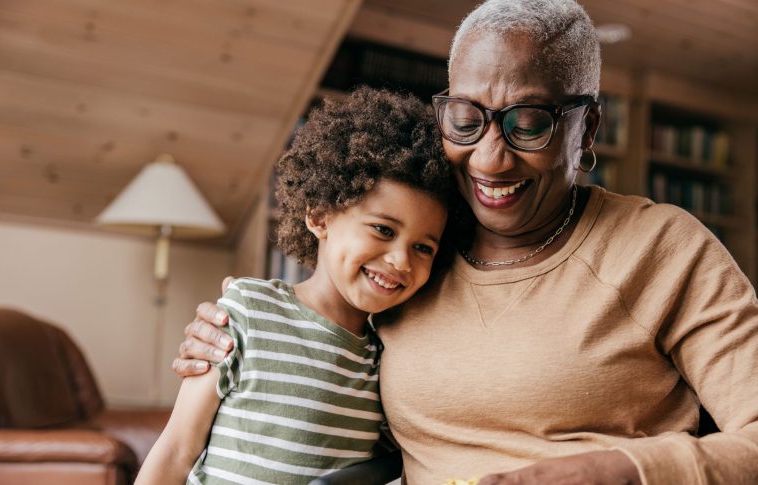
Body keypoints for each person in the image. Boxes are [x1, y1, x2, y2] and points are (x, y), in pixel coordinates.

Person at [173, 1, 758, 484]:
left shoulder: (663, 247)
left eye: (529, 122)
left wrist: (618, 471)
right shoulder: (419, 253)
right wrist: (237, 330)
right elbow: (317, 343)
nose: (490, 158)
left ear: (588, 127)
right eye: (465, 118)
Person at [136, 86, 454, 484]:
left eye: (423, 247)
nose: (401, 260)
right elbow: (176, 449)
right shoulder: (248, 310)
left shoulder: (387, 359)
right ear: (319, 216)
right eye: (382, 229)